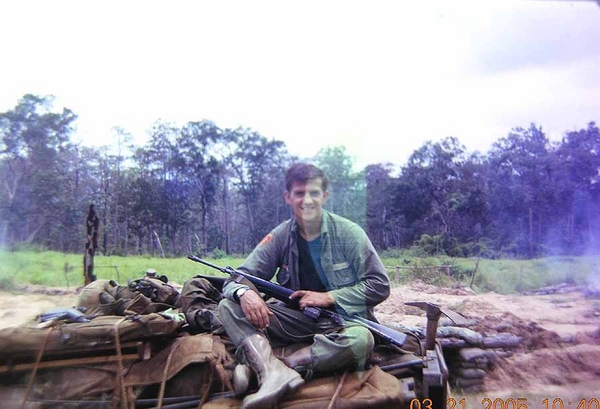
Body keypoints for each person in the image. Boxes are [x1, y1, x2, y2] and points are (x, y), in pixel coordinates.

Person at [217, 163, 390, 409]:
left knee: (362, 341)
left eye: (314, 193)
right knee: (228, 306)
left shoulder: (350, 234)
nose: (307, 200)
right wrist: (245, 292)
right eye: (299, 193)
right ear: (288, 197)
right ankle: (270, 372)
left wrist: (329, 297)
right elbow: (240, 275)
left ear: (325, 196)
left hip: (341, 321)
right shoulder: (279, 236)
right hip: (295, 319)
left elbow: (379, 285)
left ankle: (278, 368)